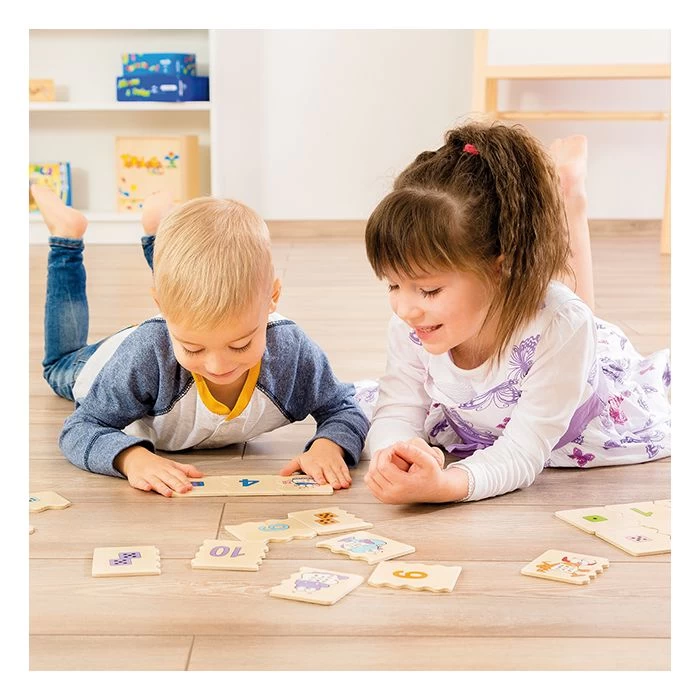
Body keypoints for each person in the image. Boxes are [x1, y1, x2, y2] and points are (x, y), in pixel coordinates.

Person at [362, 121, 671, 504]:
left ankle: (570, 195)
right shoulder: (415, 321)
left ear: (499, 267)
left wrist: (447, 485)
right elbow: (397, 409)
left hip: (573, 401)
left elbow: (522, 452)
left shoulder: (560, 325)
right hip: (516, 357)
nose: (405, 309)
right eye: (393, 285)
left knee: (574, 311)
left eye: (428, 290)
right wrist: (394, 455)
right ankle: (564, 189)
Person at [34, 186, 370, 497]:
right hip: (108, 360)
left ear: (273, 298)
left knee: (190, 289)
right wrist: (130, 458)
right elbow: (80, 428)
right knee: (58, 365)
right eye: (194, 349)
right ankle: (66, 238)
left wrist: (330, 445)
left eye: (240, 345)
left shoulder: (291, 352)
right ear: (162, 309)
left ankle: (159, 232)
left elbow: (343, 406)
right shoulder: (145, 356)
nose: (217, 365)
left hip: (179, 326)